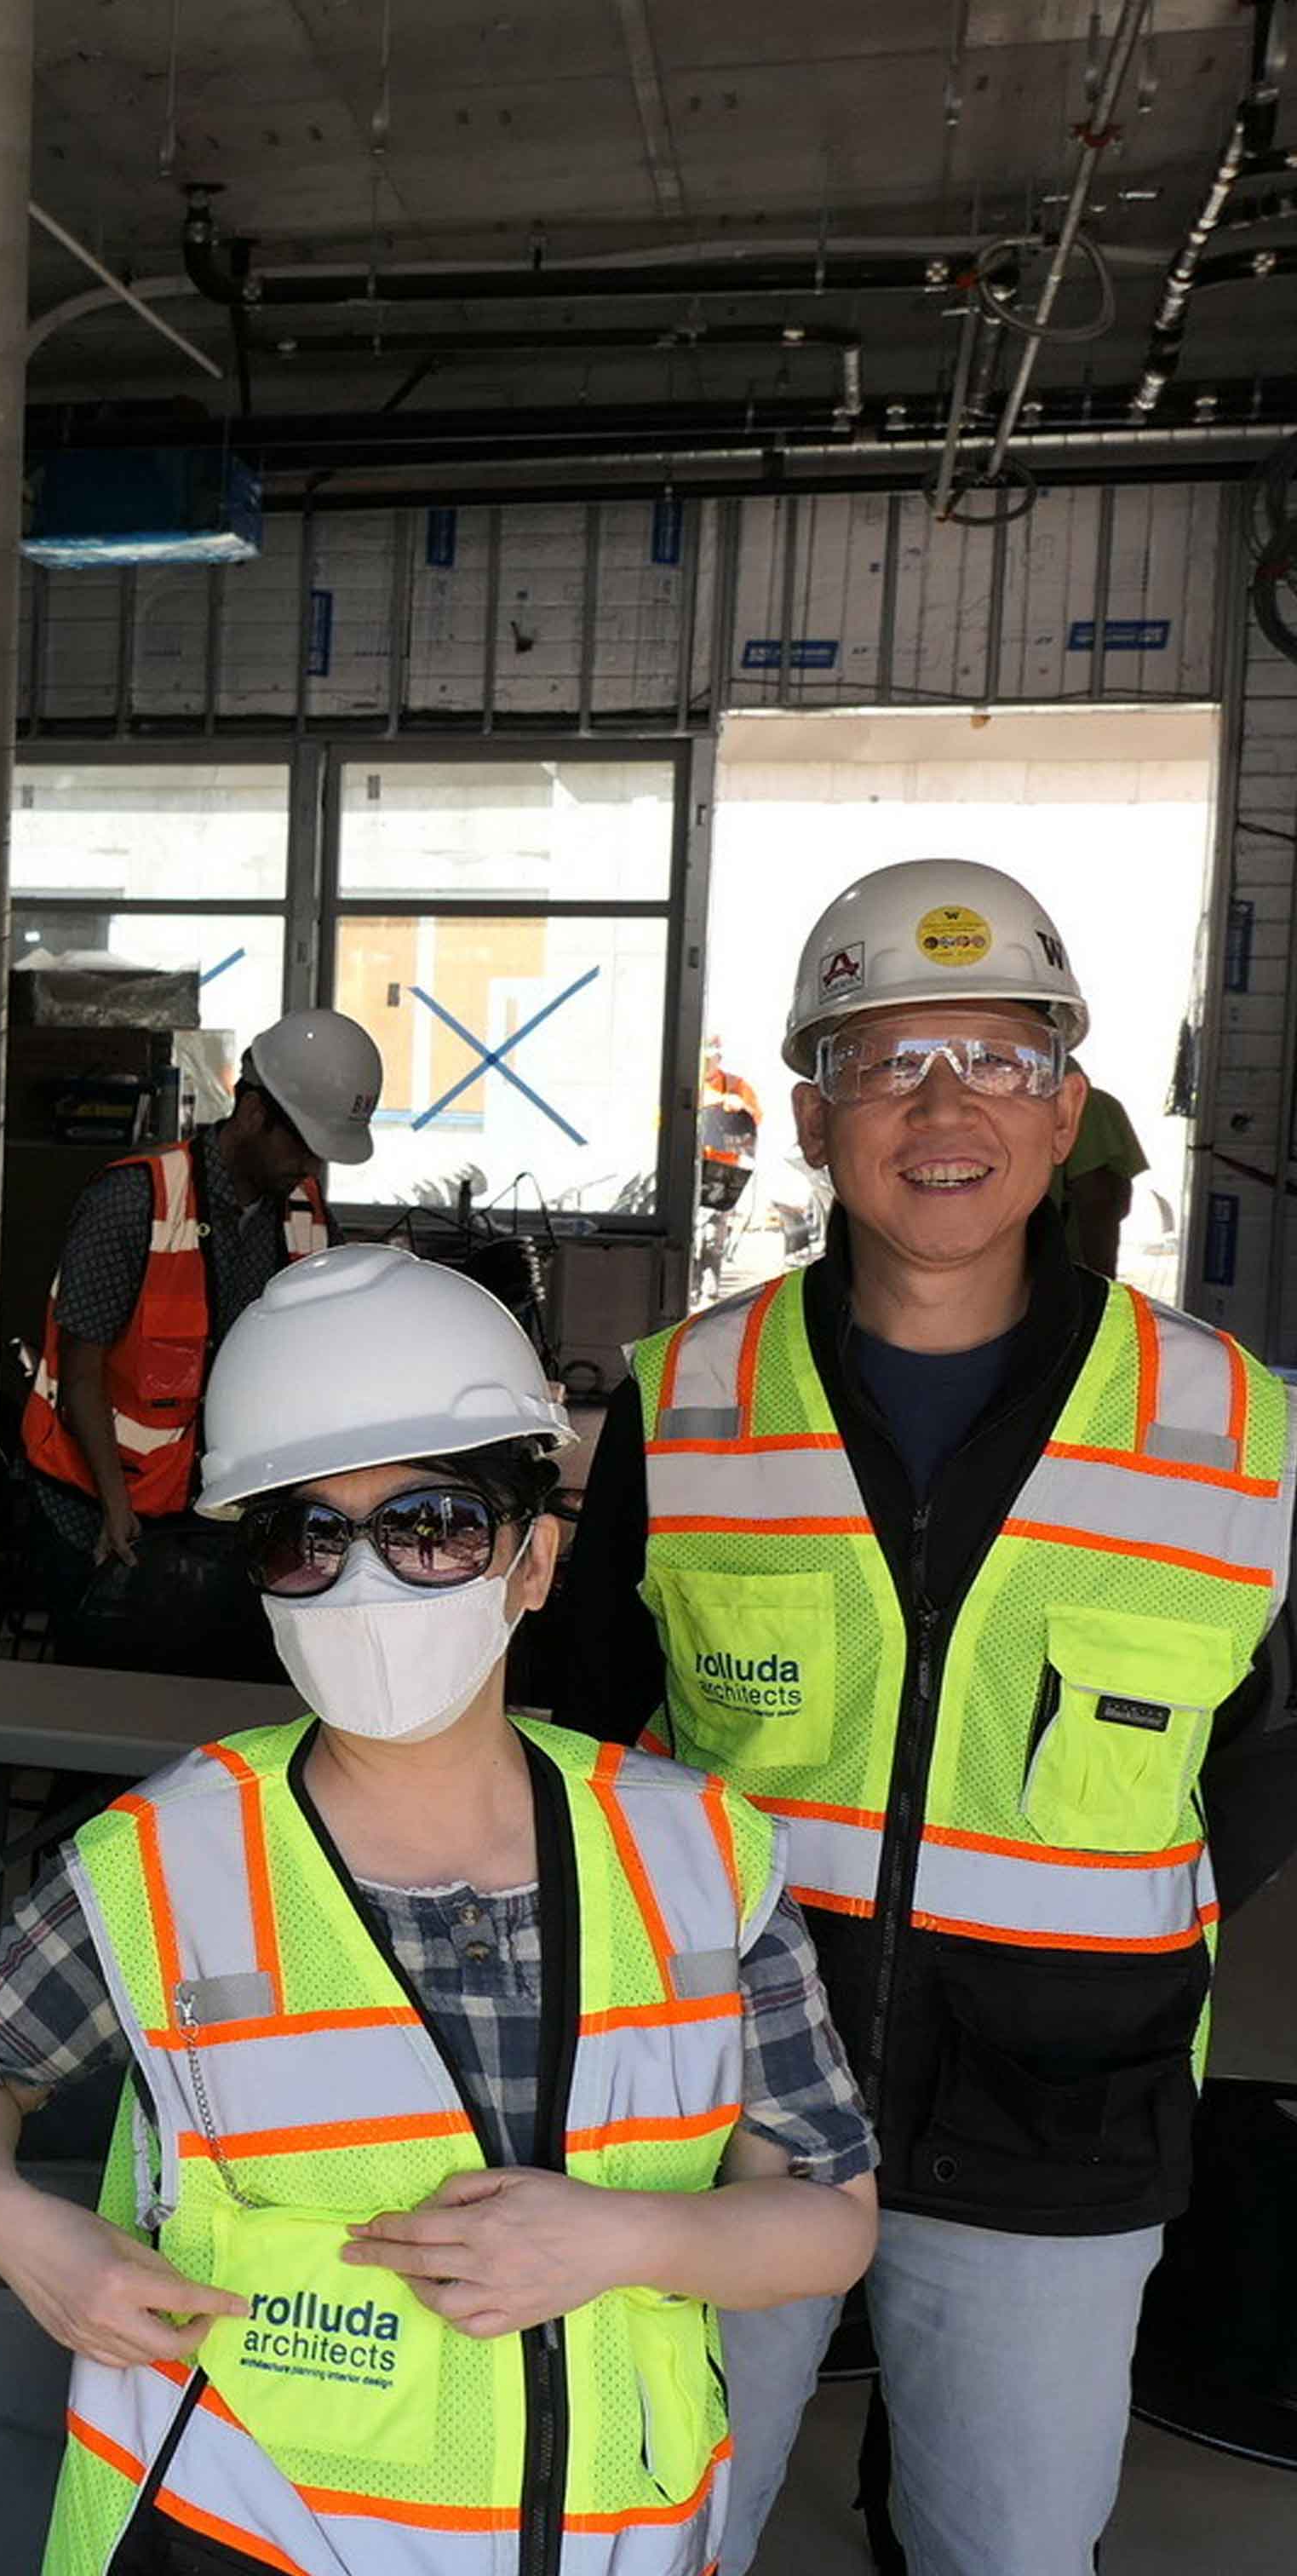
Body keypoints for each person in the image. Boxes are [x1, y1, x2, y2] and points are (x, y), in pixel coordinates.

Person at [0, 1245, 878, 2575]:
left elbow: (828, 2216)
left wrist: (625, 2239)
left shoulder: (702, 1857)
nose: (365, 1587)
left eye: (433, 1528)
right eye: (304, 1538)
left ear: (533, 1560)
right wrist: (14, 2225)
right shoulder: (168, 1858)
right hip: (242, 2540)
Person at [555, 857, 1297, 2576]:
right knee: (651, 2529)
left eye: (1000, 1058)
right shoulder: (688, 1399)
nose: (945, 1106)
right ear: (815, 1116)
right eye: (888, 1060)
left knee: (1005, 2552)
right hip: (718, 2102)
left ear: (1066, 1112)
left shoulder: (1230, 1424)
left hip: (1060, 2114)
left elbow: (1266, 1760)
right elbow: (583, 1734)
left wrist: (1113, 1959)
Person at [14, 1009, 384, 1676]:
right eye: (301, 1144)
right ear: (253, 1112)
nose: (310, 1166)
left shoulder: (304, 1215)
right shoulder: (134, 1201)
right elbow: (80, 1373)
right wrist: (114, 1503)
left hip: (216, 1513)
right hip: (100, 1506)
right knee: (103, 1703)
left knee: (209, 1699)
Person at [1052, 1067, 1151, 1277]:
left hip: (1060, 1273)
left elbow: (1099, 1201)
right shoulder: (1097, 1104)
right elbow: (1105, 1203)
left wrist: (1099, 1286)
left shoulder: (1089, 1106)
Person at [695, 1035, 764, 1302]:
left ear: (718, 1058)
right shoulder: (687, 1084)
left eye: (711, 1058)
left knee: (714, 1233)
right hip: (689, 1168)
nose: (707, 1063)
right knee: (689, 1232)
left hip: (720, 1171)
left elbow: (755, 1118)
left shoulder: (737, 1086)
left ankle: (708, 1291)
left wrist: (740, 1106)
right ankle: (690, 1287)